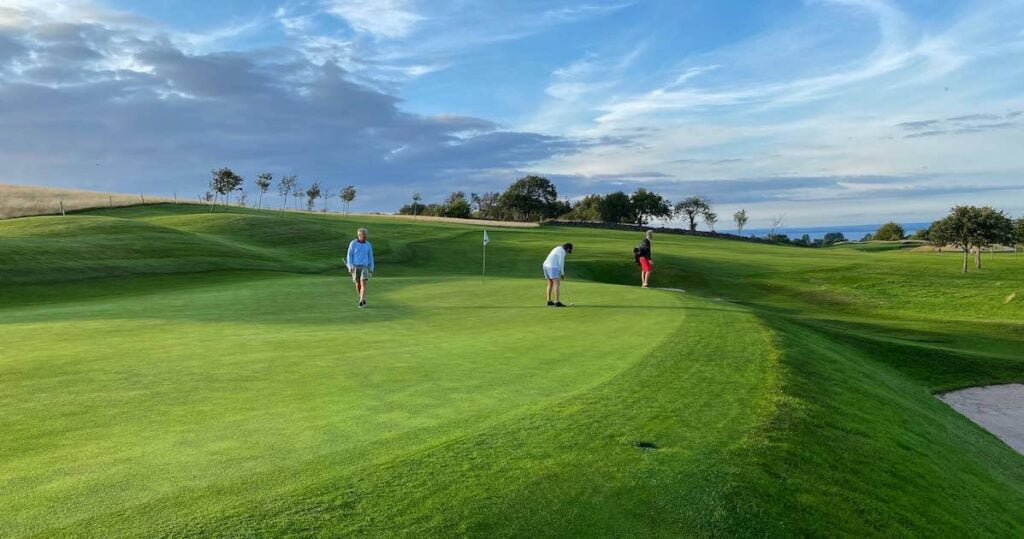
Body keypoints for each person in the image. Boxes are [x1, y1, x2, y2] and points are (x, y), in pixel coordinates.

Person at [346, 227, 374, 308]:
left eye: (366, 235)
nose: (365, 237)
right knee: (358, 284)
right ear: (359, 235)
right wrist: (350, 266)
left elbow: (370, 257)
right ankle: (363, 298)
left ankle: (361, 301)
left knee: (363, 284)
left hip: (365, 267)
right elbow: (349, 255)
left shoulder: (368, 245)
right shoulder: (353, 243)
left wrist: (371, 269)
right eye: (364, 235)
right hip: (355, 267)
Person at [542, 242, 573, 307]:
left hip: (545, 265)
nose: (567, 252)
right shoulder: (562, 251)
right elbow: (561, 262)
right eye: (568, 251)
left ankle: (549, 301)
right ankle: (557, 302)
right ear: (567, 248)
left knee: (550, 283)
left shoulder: (557, 248)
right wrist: (562, 273)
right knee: (557, 284)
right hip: (552, 266)